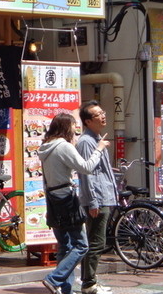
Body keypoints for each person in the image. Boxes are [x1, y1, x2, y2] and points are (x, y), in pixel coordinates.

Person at [37, 113, 110, 294]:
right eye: (73, 126)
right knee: (81, 245)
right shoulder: (64, 146)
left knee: (65, 246)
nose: (75, 130)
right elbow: (86, 168)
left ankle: (65, 289)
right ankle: (54, 279)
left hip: (52, 199)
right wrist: (99, 149)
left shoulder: (46, 147)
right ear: (65, 127)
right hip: (67, 199)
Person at [76, 101, 119, 294]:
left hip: (103, 195)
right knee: (96, 242)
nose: (103, 116)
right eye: (98, 114)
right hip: (97, 198)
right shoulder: (86, 142)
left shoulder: (97, 138)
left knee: (96, 241)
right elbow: (87, 173)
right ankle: (89, 284)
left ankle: (90, 281)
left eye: (103, 112)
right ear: (87, 121)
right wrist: (93, 201)